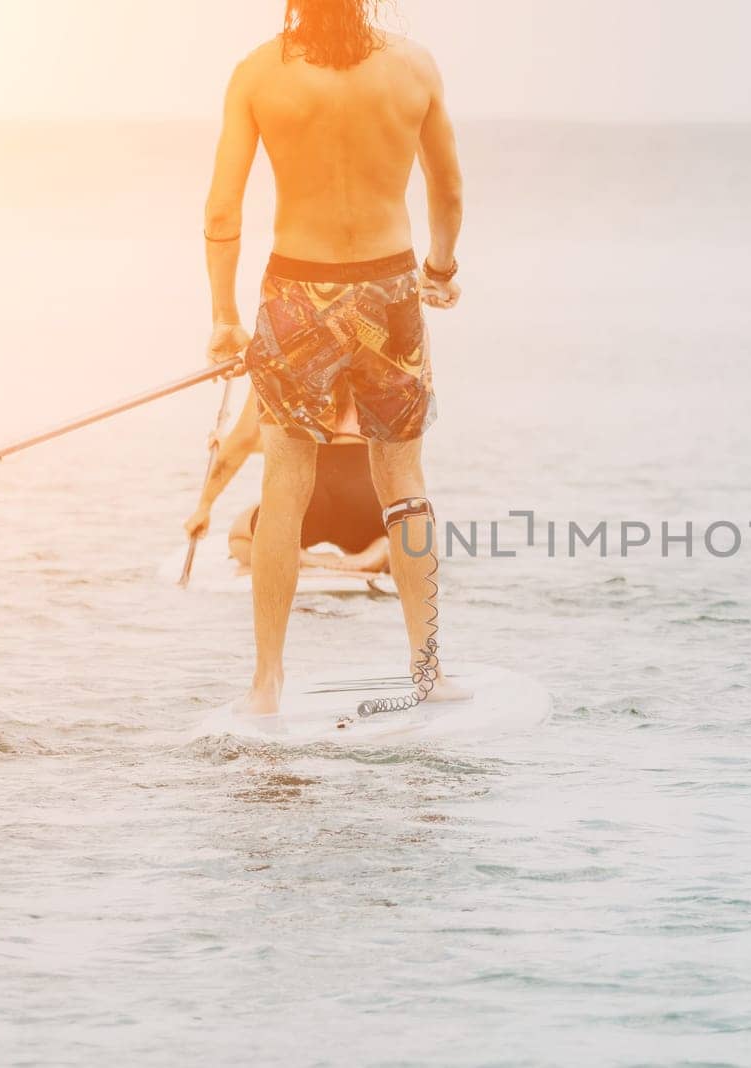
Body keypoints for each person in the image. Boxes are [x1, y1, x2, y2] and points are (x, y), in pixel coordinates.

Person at [202, 0, 469, 715]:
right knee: (403, 479)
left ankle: (267, 684)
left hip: (295, 292)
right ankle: (428, 672)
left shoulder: (259, 73)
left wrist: (225, 317)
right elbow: (447, 188)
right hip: (387, 292)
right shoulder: (413, 67)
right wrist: (439, 271)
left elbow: (222, 212)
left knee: (286, 482)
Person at [184, 394, 391, 576]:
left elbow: (246, 439)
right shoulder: (371, 355)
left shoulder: (273, 354)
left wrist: (204, 507)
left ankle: (306, 559)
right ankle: (376, 551)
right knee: (388, 534)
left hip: (307, 494)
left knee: (240, 537)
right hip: (364, 493)